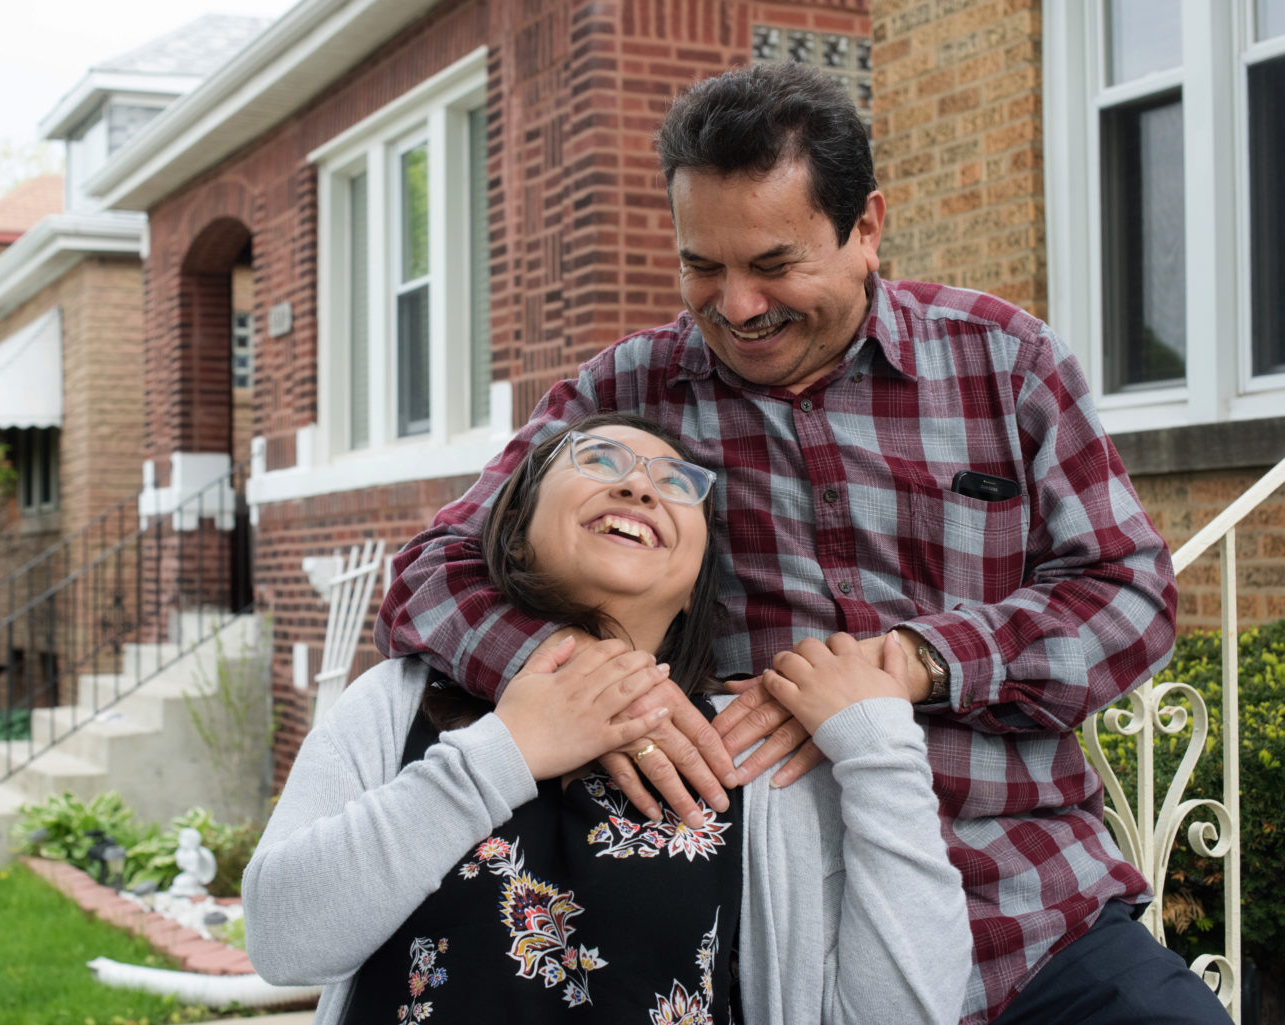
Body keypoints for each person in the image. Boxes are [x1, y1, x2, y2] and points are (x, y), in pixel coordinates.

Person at [377, 63, 1222, 1025]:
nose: (736, 306)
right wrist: (590, 678)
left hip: (1030, 903)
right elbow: (430, 573)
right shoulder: (629, 397)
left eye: (774, 265)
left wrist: (915, 662)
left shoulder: (1005, 359)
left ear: (865, 227)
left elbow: (1130, 592)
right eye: (704, 265)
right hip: (767, 936)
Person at [245, 413, 970, 1025]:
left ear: (695, 588)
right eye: (598, 459)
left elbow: (904, 1011)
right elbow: (282, 940)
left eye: (677, 483)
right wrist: (508, 749)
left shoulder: (754, 749)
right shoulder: (399, 702)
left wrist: (881, 746)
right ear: (516, 531)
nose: (638, 485)